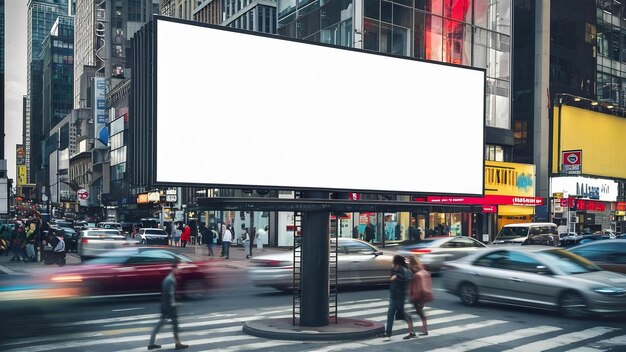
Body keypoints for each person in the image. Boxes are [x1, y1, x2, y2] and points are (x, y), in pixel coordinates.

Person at [148, 261, 188, 350]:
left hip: (166, 306)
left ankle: (152, 343)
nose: (179, 271)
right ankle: (177, 344)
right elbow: (169, 295)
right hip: (169, 307)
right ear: (173, 268)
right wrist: (174, 305)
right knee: (166, 324)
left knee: (171, 324)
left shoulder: (169, 278)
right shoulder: (170, 280)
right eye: (178, 269)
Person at [384, 255, 415, 340]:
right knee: (390, 315)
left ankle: (411, 331)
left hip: (400, 297)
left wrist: (397, 277)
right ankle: (388, 334)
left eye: (393, 261)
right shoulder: (394, 269)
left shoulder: (404, 271)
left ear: (396, 262)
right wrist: (393, 277)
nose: (392, 263)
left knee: (403, 315)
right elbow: (391, 279)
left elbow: (405, 281)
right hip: (393, 296)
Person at [408, 256, 431, 336]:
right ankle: (424, 329)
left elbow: (418, 288)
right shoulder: (423, 271)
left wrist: (414, 297)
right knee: (420, 312)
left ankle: (425, 330)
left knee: (420, 313)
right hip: (424, 296)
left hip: (418, 296)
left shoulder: (416, 274)